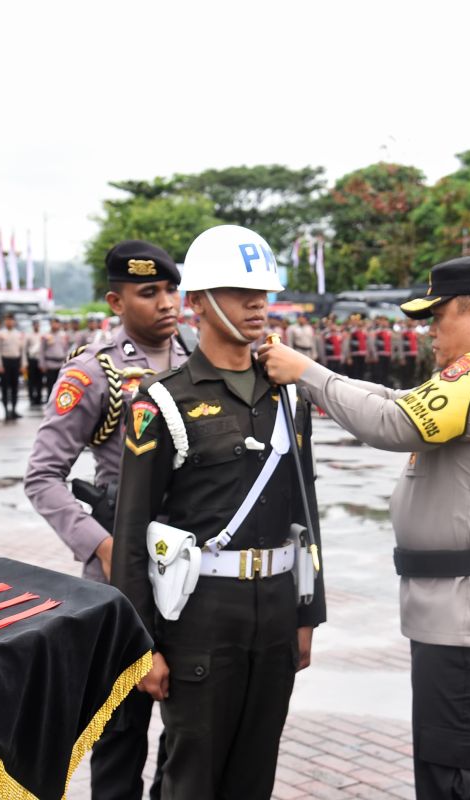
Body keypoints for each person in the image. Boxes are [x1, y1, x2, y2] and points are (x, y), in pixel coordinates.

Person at [260, 255, 470, 799]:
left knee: (458, 781)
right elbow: (401, 402)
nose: (429, 335)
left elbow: (392, 423)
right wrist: (317, 376)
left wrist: (306, 372)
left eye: (436, 320)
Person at [113, 224, 326, 800]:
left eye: (263, 292)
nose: (258, 304)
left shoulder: (288, 392)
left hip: (276, 610)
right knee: (193, 776)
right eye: (239, 292)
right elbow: (132, 530)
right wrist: (142, 645)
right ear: (200, 303)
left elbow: (305, 509)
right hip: (200, 618)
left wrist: (309, 613)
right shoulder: (162, 399)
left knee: (256, 774)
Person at [25, 240, 187, 800]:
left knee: (188, 740)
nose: (167, 303)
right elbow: (42, 476)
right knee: (120, 735)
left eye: (172, 290)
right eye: (150, 293)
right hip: (122, 573)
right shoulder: (97, 372)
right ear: (116, 302)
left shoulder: (201, 359)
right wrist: (100, 546)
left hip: (194, 572)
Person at [0, 314, 26, 420]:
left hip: (15, 362)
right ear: (5, 321)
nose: (9, 322)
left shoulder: (19, 334)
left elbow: (22, 351)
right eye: (7, 320)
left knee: (14, 387)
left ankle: (14, 409)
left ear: (14, 322)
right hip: (5, 362)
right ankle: (6, 410)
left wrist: (23, 364)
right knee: (4, 388)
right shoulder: (0, 334)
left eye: (11, 320)